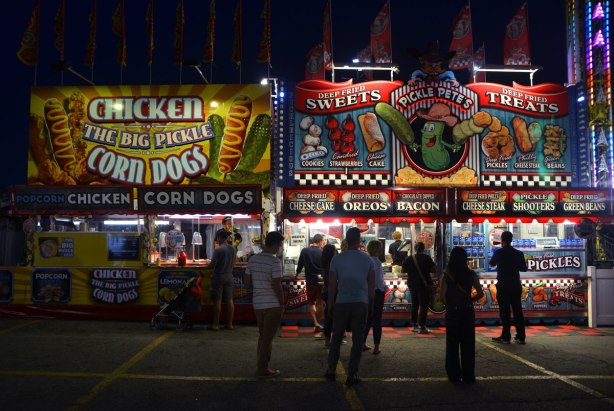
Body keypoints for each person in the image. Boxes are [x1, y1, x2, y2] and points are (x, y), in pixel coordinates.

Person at [324, 227, 375, 386]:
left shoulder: (337, 259)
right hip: (361, 303)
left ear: (346, 239)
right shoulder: (367, 259)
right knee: (358, 339)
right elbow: (371, 286)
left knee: (337, 337)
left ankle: (331, 370)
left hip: (341, 302)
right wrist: (371, 304)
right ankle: (352, 374)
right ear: (360, 240)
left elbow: (332, 285)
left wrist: (331, 303)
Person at [244, 231, 286, 378]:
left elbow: (247, 284)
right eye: (280, 245)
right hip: (273, 304)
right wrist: (282, 303)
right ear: (275, 244)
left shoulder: (253, 260)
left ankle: (262, 366)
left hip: (258, 304)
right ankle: (263, 369)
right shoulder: (275, 262)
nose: (280, 248)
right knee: (267, 339)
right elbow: (277, 285)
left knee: (263, 337)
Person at [441, 247, 484, 383]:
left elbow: (442, 297)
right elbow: (480, 293)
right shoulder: (471, 274)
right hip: (468, 312)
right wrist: (469, 300)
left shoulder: (446, 275)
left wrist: (451, 302)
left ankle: (454, 375)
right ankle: (468, 374)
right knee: (468, 344)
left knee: (452, 344)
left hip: (453, 312)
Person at [489, 231, 528, 344]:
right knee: (518, 311)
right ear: (511, 240)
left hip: (503, 285)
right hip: (515, 285)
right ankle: (521, 336)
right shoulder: (518, 253)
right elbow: (523, 269)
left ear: (502, 240)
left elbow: (491, 263)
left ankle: (506, 337)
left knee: (505, 312)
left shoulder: (499, 252)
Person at [402, 242, 436, 334]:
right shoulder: (427, 258)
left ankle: (414, 324)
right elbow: (434, 270)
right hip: (424, 284)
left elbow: (403, 270)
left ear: (415, 248)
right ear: (423, 249)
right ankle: (422, 326)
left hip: (412, 284)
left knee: (415, 303)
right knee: (423, 305)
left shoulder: (409, 258)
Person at [206, 229, 236, 331]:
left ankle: (215, 325)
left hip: (219, 276)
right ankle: (230, 324)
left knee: (217, 301)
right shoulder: (233, 249)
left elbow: (212, 264)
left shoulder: (218, 250)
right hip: (229, 276)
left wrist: (207, 265)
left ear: (219, 237)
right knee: (229, 300)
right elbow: (233, 263)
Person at [295, 234, 325, 335]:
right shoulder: (323, 251)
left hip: (310, 281)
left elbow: (300, 264)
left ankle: (316, 323)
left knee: (311, 303)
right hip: (322, 282)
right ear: (320, 241)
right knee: (320, 303)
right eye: (324, 240)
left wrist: (296, 274)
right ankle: (318, 323)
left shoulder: (305, 251)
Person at [363, 240, 388, 355]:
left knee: (367, 319)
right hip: (376, 293)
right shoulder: (377, 262)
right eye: (380, 248)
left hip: (366, 293)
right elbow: (377, 282)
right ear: (377, 250)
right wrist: (384, 287)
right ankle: (376, 347)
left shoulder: (366, 261)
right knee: (377, 320)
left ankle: (362, 343)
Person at [321, 243, 338, 347]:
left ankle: (327, 340)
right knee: (336, 317)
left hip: (325, 291)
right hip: (335, 292)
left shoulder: (323, 263)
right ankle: (336, 339)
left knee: (328, 316)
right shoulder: (334, 263)